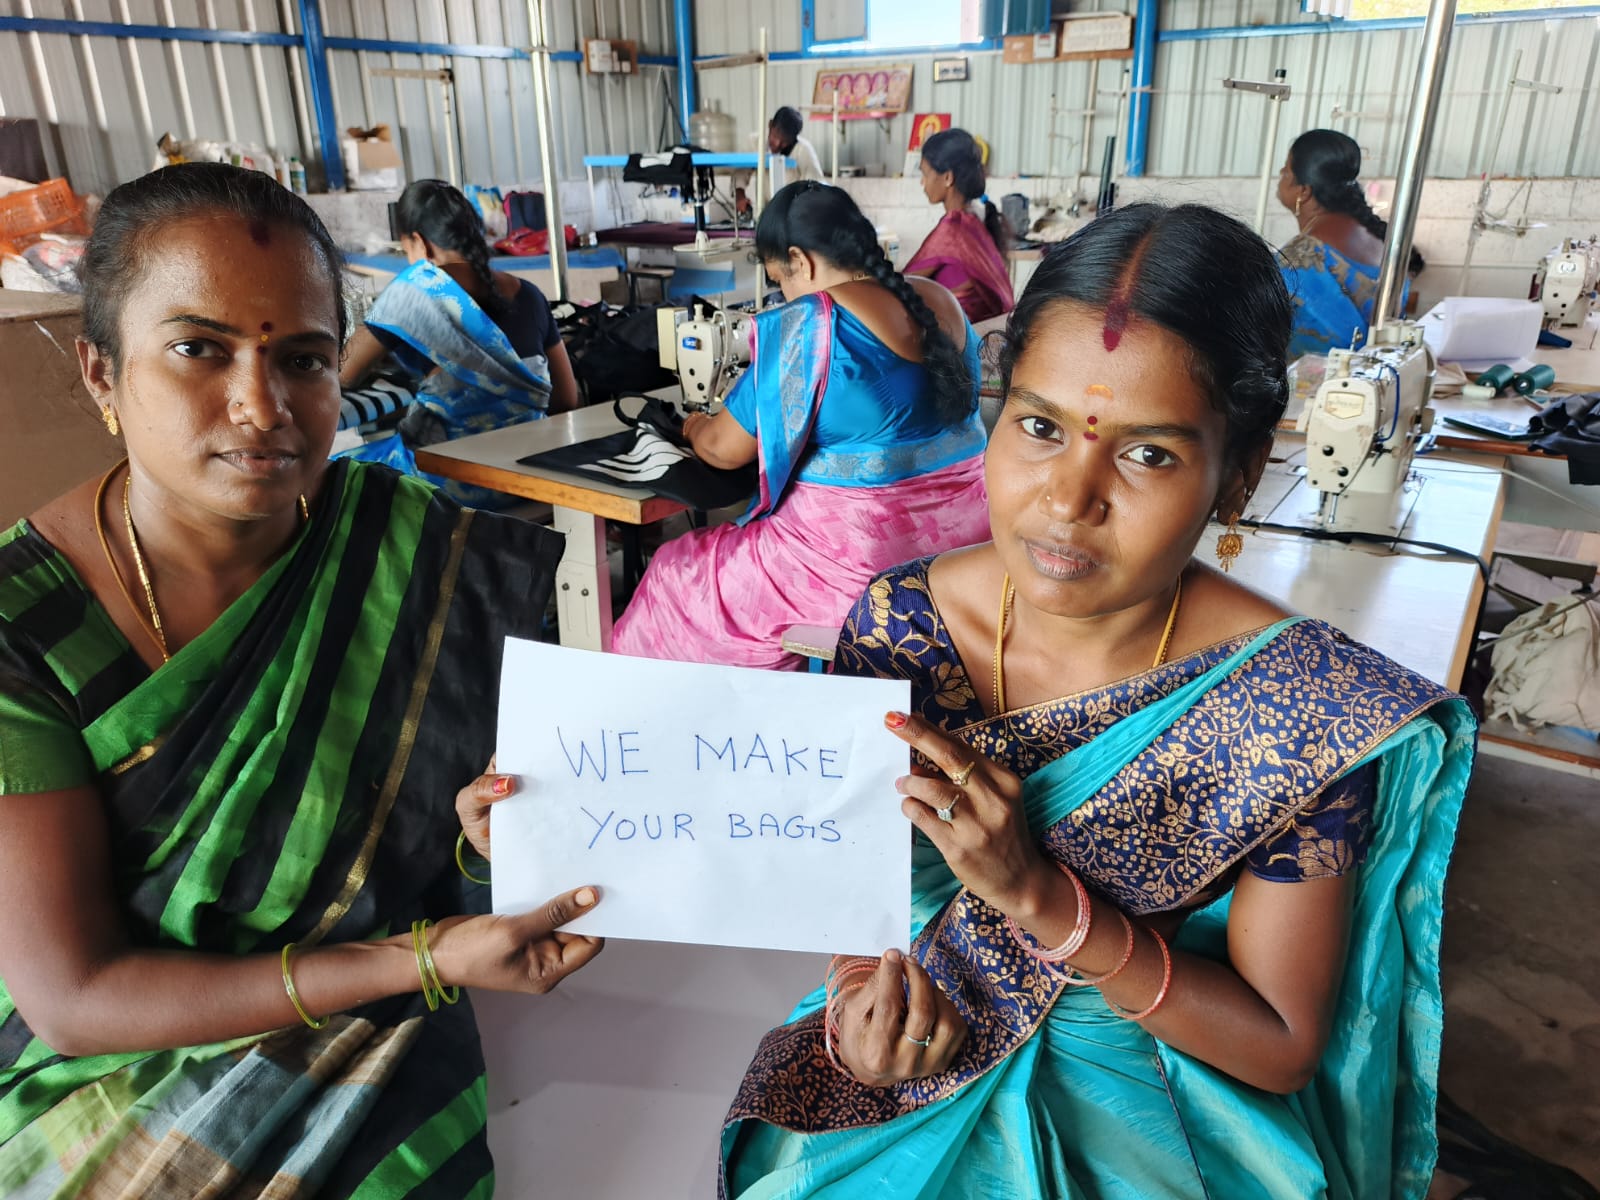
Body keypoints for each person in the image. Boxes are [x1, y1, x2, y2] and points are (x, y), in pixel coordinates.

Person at [721, 203, 1476, 1197]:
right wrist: (862, 1000)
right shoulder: (901, 623)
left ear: (1241, 474)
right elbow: (862, 891)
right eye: (1039, 427)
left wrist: (1042, 901)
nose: (1068, 500)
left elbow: (1281, 1046)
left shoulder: (1295, 703)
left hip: (1159, 1086)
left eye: (1148, 453)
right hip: (925, 1036)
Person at [0, 162, 604, 1198]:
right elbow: (75, 998)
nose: (261, 405)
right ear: (101, 374)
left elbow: (441, 862)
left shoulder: (415, 556)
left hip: (382, 1039)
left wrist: (486, 836)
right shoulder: (24, 627)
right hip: (116, 1075)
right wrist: (420, 963)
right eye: (199, 349)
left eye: (305, 359)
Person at [613, 181, 991, 671]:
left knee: (677, 572)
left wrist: (693, 427)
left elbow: (723, 449)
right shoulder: (939, 299)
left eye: (780, 281)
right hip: (970, 544)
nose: (784, 296)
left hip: (868, 569)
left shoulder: (812, 322)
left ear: (800, 260)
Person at [339, 178, 578, 505]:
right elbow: (566, 399)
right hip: (527, 477)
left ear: (419, 242)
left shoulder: (412, 291)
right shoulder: (530, 295)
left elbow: (343, 373)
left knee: (334, 475)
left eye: (406, 249)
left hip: (445, 486)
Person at [1278, 128, 1426, 358]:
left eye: (1286, 171)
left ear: (1304, 191)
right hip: (1381, 366)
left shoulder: (1302, 256)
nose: (1281, 173)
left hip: (1325, 376)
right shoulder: (1379, 238)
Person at [907, 128, 1015, 323]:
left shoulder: (953, 229)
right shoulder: (973, 220)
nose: (922, 182)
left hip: (966, 336)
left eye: (925, 174)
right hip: (989, 332)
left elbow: (903, 281)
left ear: (948, 178)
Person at [768, 105, 824, 182]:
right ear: (770, 125)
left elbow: (815, 183)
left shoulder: (803, 150)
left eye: (785, 141)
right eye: (775, 136)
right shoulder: (756, 143)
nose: (777, 144)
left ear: (793, 140)